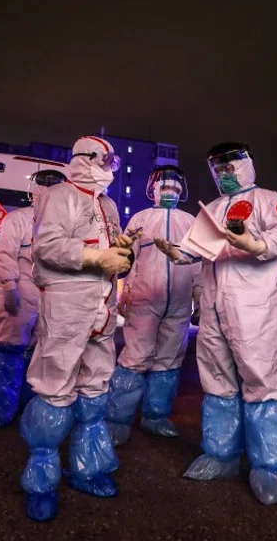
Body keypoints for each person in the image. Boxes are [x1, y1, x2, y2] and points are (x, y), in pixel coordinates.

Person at [155, 142, 277, 506]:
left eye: (232, 167)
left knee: (260, 379)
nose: (225, 175)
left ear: (248, 166)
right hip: (214, 309)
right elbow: (197, 247)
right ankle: (221, 455)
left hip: (252, 308)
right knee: (216, 378)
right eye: (219, 170)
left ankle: (268, 464)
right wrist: (178, 252)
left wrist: (255, 242)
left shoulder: (267, 199)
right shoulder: (214, 209)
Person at [18, 136, 136, 522]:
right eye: (107, 160)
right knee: (55, 388)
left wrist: (120, 253)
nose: (111, 167)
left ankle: (89, 467)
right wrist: (97, 256)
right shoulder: (59, 196)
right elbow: (47, 248)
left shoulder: (108, 204)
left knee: (95, 387)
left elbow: (106, 250)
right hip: (67, 305)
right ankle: (42, 479)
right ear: (88, 159)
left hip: (102, 307)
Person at [106, 166, 202, 445]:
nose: (169, 192)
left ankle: (156, 416)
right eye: (164, 187)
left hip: (180, 301)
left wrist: (199, 294)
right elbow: (126, 259)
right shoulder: (141, 218)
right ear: (153, 190)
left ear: (182, 191)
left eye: (174, 187)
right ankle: (118, 419)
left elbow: (198, 264)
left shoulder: (191, 221)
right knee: (136, 356)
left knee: (170, 359)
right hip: (145, 299)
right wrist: (123, 295)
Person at [0, 167, 67, 430]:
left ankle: (30, 414)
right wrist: (9, 286)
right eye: (44, 183)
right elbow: (5, 254)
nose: (49, 189)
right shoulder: (18, 219)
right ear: (34, 189)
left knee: (43, 356)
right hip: (24, 290)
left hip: (53, 294)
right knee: (10, 350)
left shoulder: (66, 224)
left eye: (55, 184)